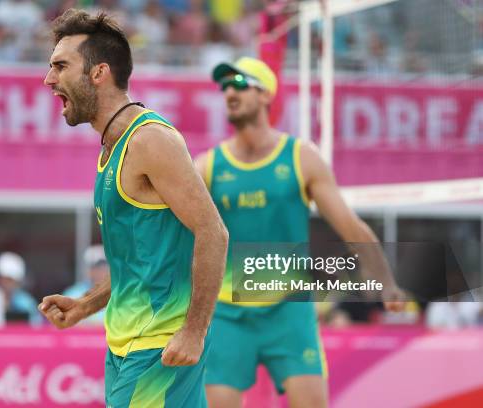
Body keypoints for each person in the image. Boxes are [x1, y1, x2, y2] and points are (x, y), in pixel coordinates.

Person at [37, 9, 228, 408]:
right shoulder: (113, 146)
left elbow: (213, 232)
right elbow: (139, 262)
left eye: (60, 66)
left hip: (159, 345)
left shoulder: (149, 140)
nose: (48, 79)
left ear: (98, 72)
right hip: (125, 346)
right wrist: (85, 305)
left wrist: (194, 331)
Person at [195, 57, 406, 408]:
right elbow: (178, 238)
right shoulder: (207, 166)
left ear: (266, 95)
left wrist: (385, 282)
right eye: (225, 86)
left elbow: (350, 226)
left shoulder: (300, 157)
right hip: (227, 313)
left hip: (288, 311)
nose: (230, 91)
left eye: (240, 83)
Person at [62, 245, 109, 325]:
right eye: (96, 267)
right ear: (88, 270)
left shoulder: (120, 293)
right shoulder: (73, 293)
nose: (101, 271)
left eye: (105, 266)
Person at [0, 252, 42, 326]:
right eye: (3, 278)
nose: (6, 283)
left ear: (18, 282)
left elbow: (37, 326)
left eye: (10, 280)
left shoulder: (26, 302)